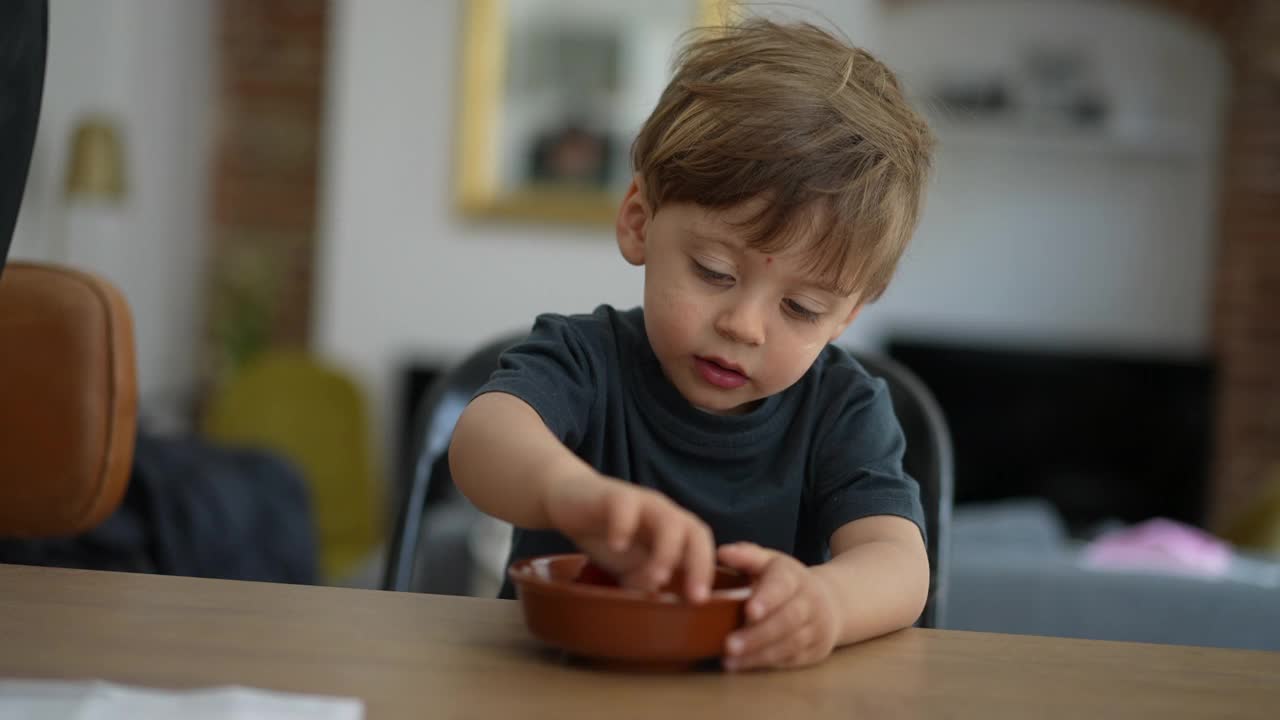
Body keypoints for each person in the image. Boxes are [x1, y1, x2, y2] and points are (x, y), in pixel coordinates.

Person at [450, 18, 935, 672]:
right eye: (714, 272)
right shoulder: (584, 359)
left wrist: (828, 604)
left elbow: (899, 562)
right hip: (555, 687)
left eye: (803, 307)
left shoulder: (844, 409)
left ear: (847, 315)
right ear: (639, 223)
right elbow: (483, 440)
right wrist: (568, 492)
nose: (744, 326)